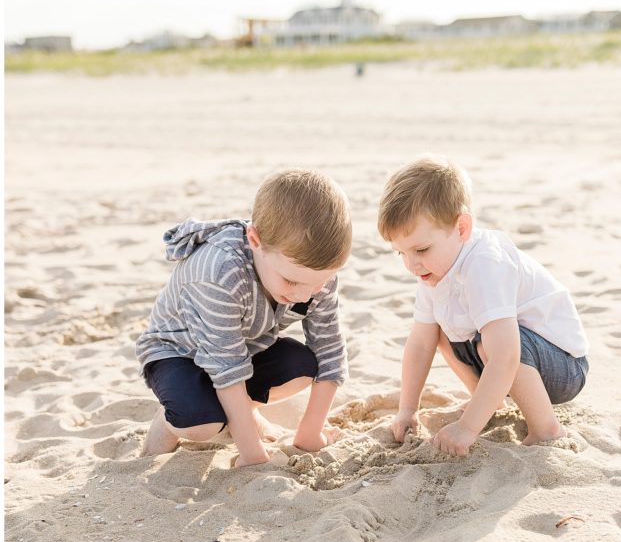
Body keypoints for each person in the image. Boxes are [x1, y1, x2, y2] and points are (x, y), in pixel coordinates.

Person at [136, 168, 351, 465]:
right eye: (291, 281)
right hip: (177, 353)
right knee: (200, 422)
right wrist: (253, 457)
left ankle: (244, 413)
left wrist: (310, 434)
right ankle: (170, 416)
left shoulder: (313, 277)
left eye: (317, 284)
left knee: (303, 366)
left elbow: (330, 350)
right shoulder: (220, 272)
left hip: (243, 348)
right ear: (255, 239)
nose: (305, 295)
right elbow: (227, 368)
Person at [377, 155, 589, 455]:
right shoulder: (433, 271)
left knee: (492, 342)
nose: (412, 264)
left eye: (421, 249)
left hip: (563, 367)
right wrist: (407, 409)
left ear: (462, 228)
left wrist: (467, 429)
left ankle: (547, 429)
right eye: (401, 253)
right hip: (512, 359)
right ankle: (489, 399)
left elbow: (505, 354)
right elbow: (421, 344)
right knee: (440, 329)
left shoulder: (486, 264)